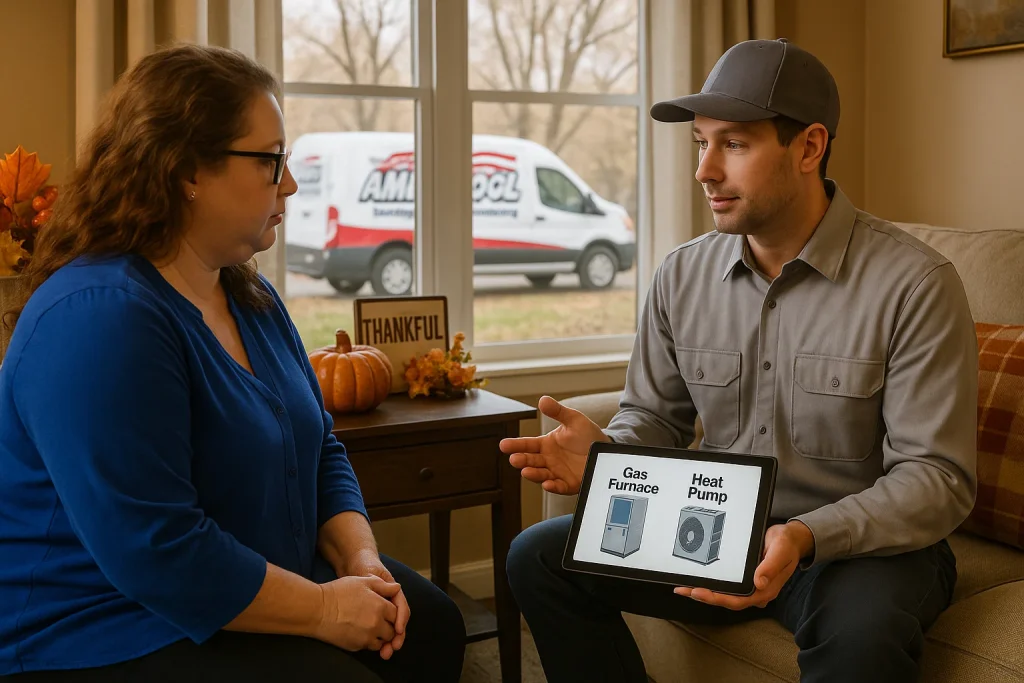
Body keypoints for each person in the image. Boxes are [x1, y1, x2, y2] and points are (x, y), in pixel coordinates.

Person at [501, 38, 977, 683]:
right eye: (701, 143)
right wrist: (609, 458)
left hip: (858, 550)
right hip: (712, 527)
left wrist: (804, 536)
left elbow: (936, 477)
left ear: (809, 147)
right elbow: (655, 417)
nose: (704, 171)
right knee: (538, 556)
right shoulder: (681, 275)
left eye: (734, 144)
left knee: (862, 641)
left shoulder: (914, 284)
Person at [0, 44, 464, 682]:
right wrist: (325, 609)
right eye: (271, 162)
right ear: (187, 169)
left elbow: (320, 448)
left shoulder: (250, 293)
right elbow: (156, 550)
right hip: (108, 624)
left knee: (431, 627)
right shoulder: (99, 315)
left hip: (253, 571)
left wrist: (361, 562)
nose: (291, 184)